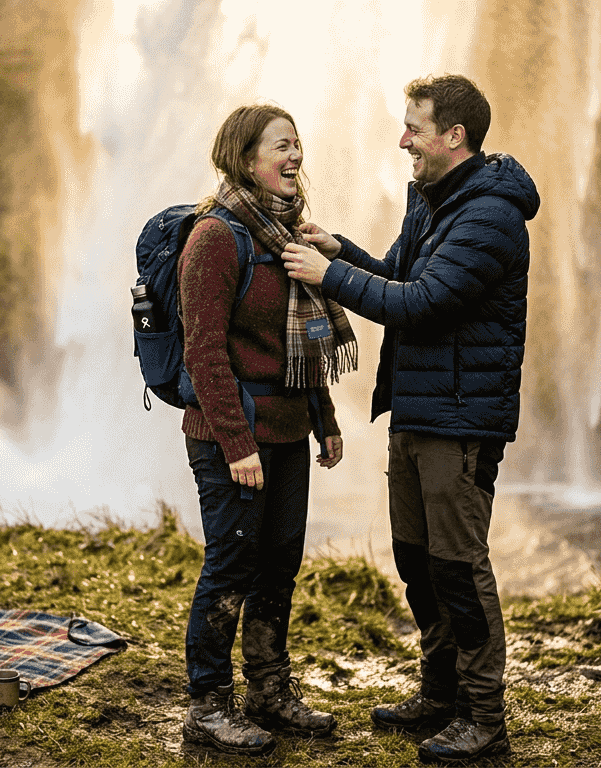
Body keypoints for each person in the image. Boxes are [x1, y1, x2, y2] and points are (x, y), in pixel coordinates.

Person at [282, 74, 539, 763]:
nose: (403, 141)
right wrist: (341, 251)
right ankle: (441, 695)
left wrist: (324, 276)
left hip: (461, 421)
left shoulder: (491, 216)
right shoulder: (432, 199)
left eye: (414, 128)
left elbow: (420, 302)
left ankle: (485, 720)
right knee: (417, 561)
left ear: (454, 136)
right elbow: (397, 273)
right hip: (421, 411)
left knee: (459, 568)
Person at [178, 103, 357, 756]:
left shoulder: (287, 236)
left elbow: (306, 338)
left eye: (298, 143)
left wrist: (325, 419)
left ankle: (269, 692)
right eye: (281, 145)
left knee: (278, 565)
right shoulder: (216, 237)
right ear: (245, 157)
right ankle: (206, 706)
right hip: (233, 436)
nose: (295, 155)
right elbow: (204, 352)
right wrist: (236, 444)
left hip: (286, 431)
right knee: (230, 566)